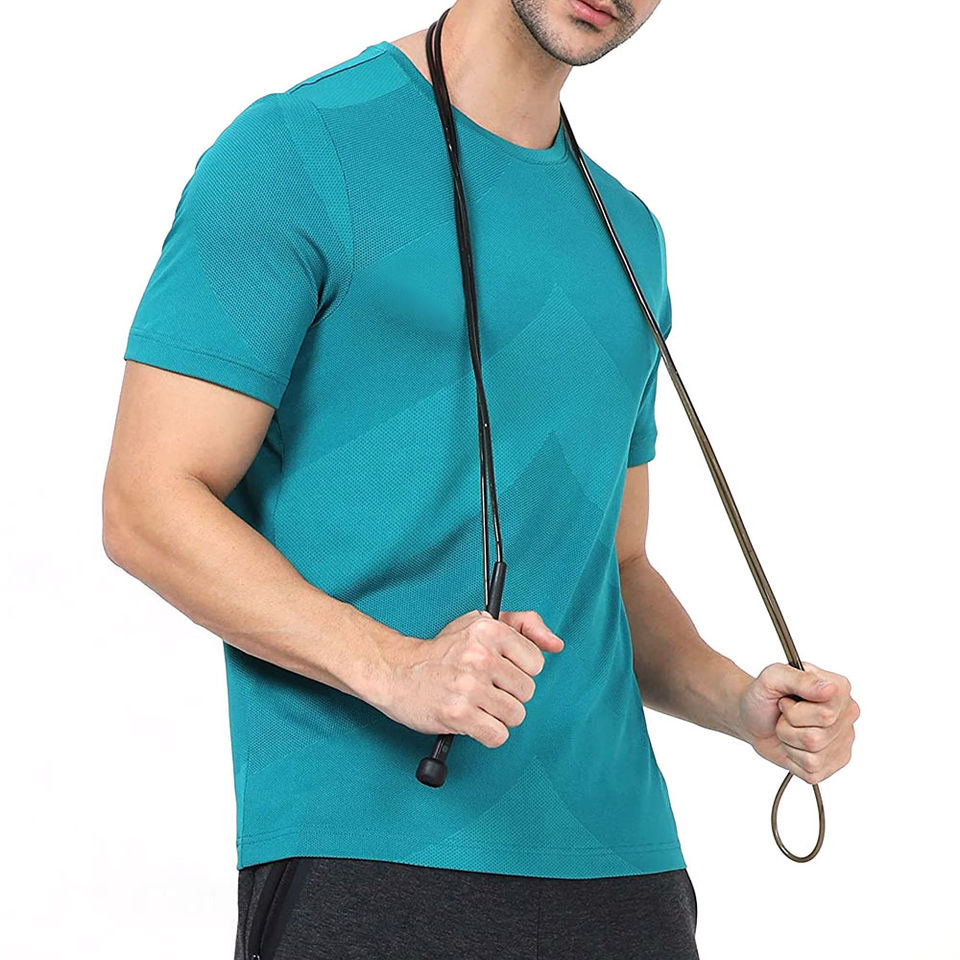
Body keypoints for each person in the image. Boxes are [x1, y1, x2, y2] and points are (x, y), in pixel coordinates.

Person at [102, 1, 860, 957]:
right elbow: (146, 503)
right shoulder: (298, 153)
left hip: (622, 865)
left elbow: (615, 567)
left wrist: (739, 702)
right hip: (372, 850)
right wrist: (393, 664)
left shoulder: (630, 236)